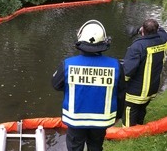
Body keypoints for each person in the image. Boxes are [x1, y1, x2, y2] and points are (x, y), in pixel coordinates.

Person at [52, 20, 125, 151]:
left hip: (76, 120)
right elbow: (121, 94)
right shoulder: (116, 65)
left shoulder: (68, 64)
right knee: (96, 147)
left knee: (75, 148)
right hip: (102, 121)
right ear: (104, 42)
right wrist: (119, 115)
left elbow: (56, 85)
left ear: (80, 39)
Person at [122, 19, 167, 127]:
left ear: (143, 30)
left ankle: (129, 138)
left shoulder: (137, 47)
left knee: (129, 116)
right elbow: (162, 31)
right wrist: (140, 29)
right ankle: (140, 126)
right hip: (152, 89)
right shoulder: (163, 40)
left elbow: (127, 73)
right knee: (141, 109)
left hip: (135, 93)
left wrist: (120, 85)